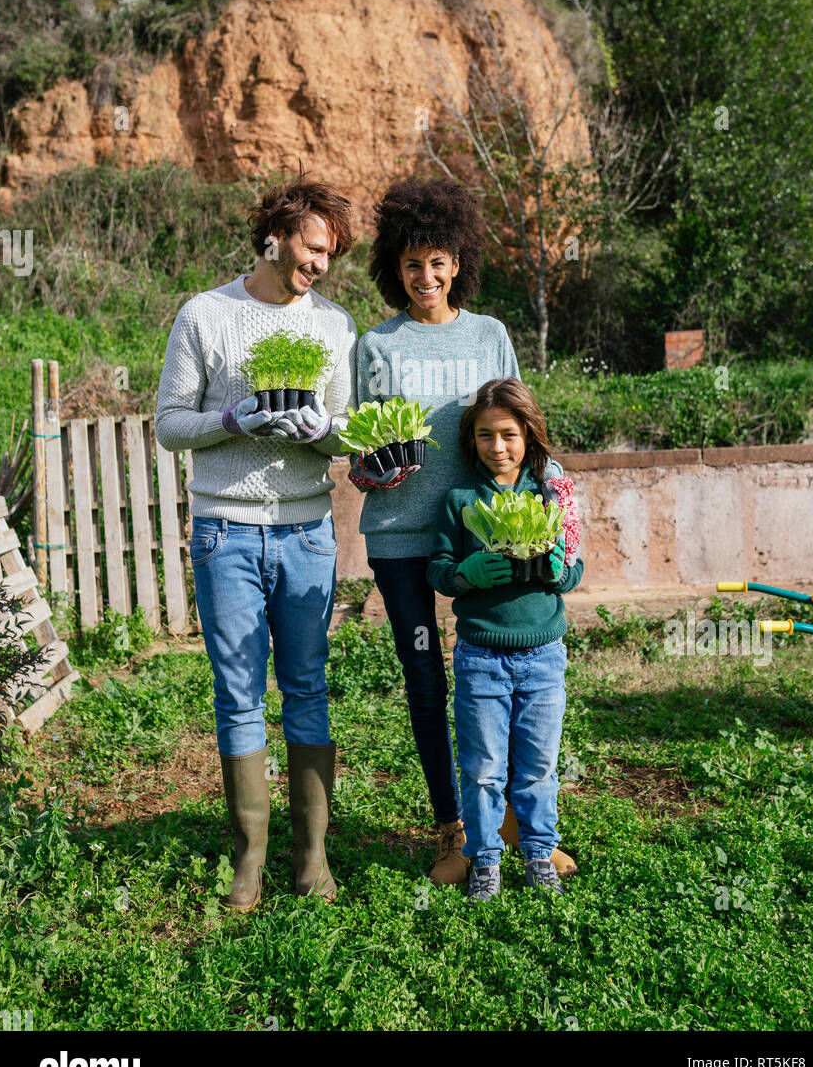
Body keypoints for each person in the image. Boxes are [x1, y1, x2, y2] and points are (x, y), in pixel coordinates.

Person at [348, 177, 575, 884]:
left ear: (458, 263)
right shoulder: (375, 345)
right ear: (394, 266)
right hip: (402, 536)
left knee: (500, 669)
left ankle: (510, 821)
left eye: (438, 261)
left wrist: (556, 486)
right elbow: (362, 450)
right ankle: (452, 829)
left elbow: (517, 420)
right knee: (427, 676)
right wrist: (372, 472)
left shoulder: (490, 334)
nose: (426, 277)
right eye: (412, 263)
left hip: (489, 534)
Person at [155, 178, 357, 910]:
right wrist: (232, 420)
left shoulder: (335, 325)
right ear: (274, 236)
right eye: (312, 247)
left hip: (305, 532)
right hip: (225, 531)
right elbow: (170, 423)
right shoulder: (206, 314)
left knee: (305, 686)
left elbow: (347, 430)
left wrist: (324, 435)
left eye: (330, 253)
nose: (320, 265)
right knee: (238, 692)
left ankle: (311, 858)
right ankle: (250, 859)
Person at [426, 377, 584, 901]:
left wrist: (558, 568)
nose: (499, 447)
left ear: (529, 435)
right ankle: (485, 857)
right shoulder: (459, 501)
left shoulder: (553, 493)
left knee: (538, 765)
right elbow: (440, 572)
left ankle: (539, 850)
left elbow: (574, 569)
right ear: (472, 440)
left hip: (543, 654)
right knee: (483, 767)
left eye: (510, 435)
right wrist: (467, 572)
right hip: (480, 656)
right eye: (487, 436)